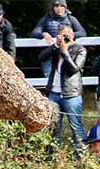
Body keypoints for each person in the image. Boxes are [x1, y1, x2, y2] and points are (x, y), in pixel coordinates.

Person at [39, 25, 87, 157]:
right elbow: (41, 57)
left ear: (73, 35)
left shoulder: (80, 49)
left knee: (76, 126)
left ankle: (82, 156)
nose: (65, 37)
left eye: (67, 34)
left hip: (71, 94)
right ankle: (52, 156)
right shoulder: (56, 48)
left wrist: (65, 53)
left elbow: (74, 70)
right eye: (62, 34)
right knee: (53, 127)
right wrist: (55, 45)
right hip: (54, 93)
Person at [32, 0, 87, 77]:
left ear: (65, 8)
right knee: (49, 79)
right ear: (53, 7)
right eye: (56, 6)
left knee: (68, 78)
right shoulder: (46, 19)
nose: (59, 8)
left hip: (68, 53)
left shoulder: (71, 19)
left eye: (62, 6)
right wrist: (43, 34)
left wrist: (69, 35)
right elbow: (34, 33)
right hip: (51, 54)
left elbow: (82, 32)